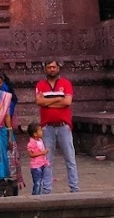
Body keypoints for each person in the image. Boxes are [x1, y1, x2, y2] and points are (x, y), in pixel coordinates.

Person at [35, 59, 79, 193]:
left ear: (58, 68)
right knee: (47, 160)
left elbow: (67, 101)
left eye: (54, 67)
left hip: (63, 126)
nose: (52, 69)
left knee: (70, 158)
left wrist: (47, 102)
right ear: (45, 69)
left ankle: (74, 188)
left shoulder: (66, 83)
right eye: (49, 67)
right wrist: (58, 99)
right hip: (47, 127)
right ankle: (47, 190)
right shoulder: (41, 84)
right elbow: (38, 101)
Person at [26, 123, 50, 195]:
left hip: (42, 164)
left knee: (41, 181)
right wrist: (42, 153)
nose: (42, 132)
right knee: (37, 182)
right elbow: (31, 154)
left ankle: (38, 195)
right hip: (36, 166)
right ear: (35, 134)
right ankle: (36, 196)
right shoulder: (31, 143)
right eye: (40, 131)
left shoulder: (40, 141)